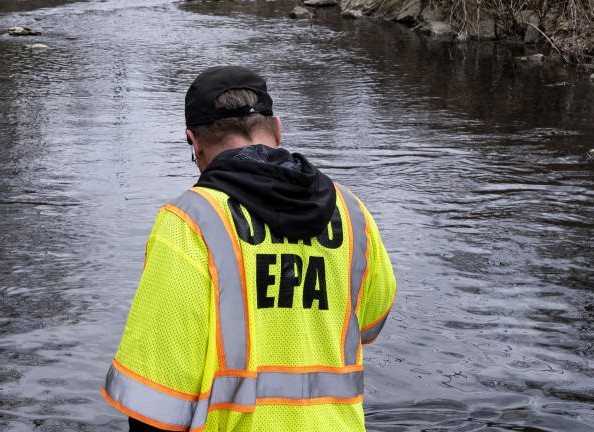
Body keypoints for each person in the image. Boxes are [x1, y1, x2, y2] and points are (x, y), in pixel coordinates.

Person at [102, 65, 396, 431]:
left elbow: (157, 396)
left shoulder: (189, 223)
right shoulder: (351, 211)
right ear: (277, 129)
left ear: (194, 143)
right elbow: (370, 323)